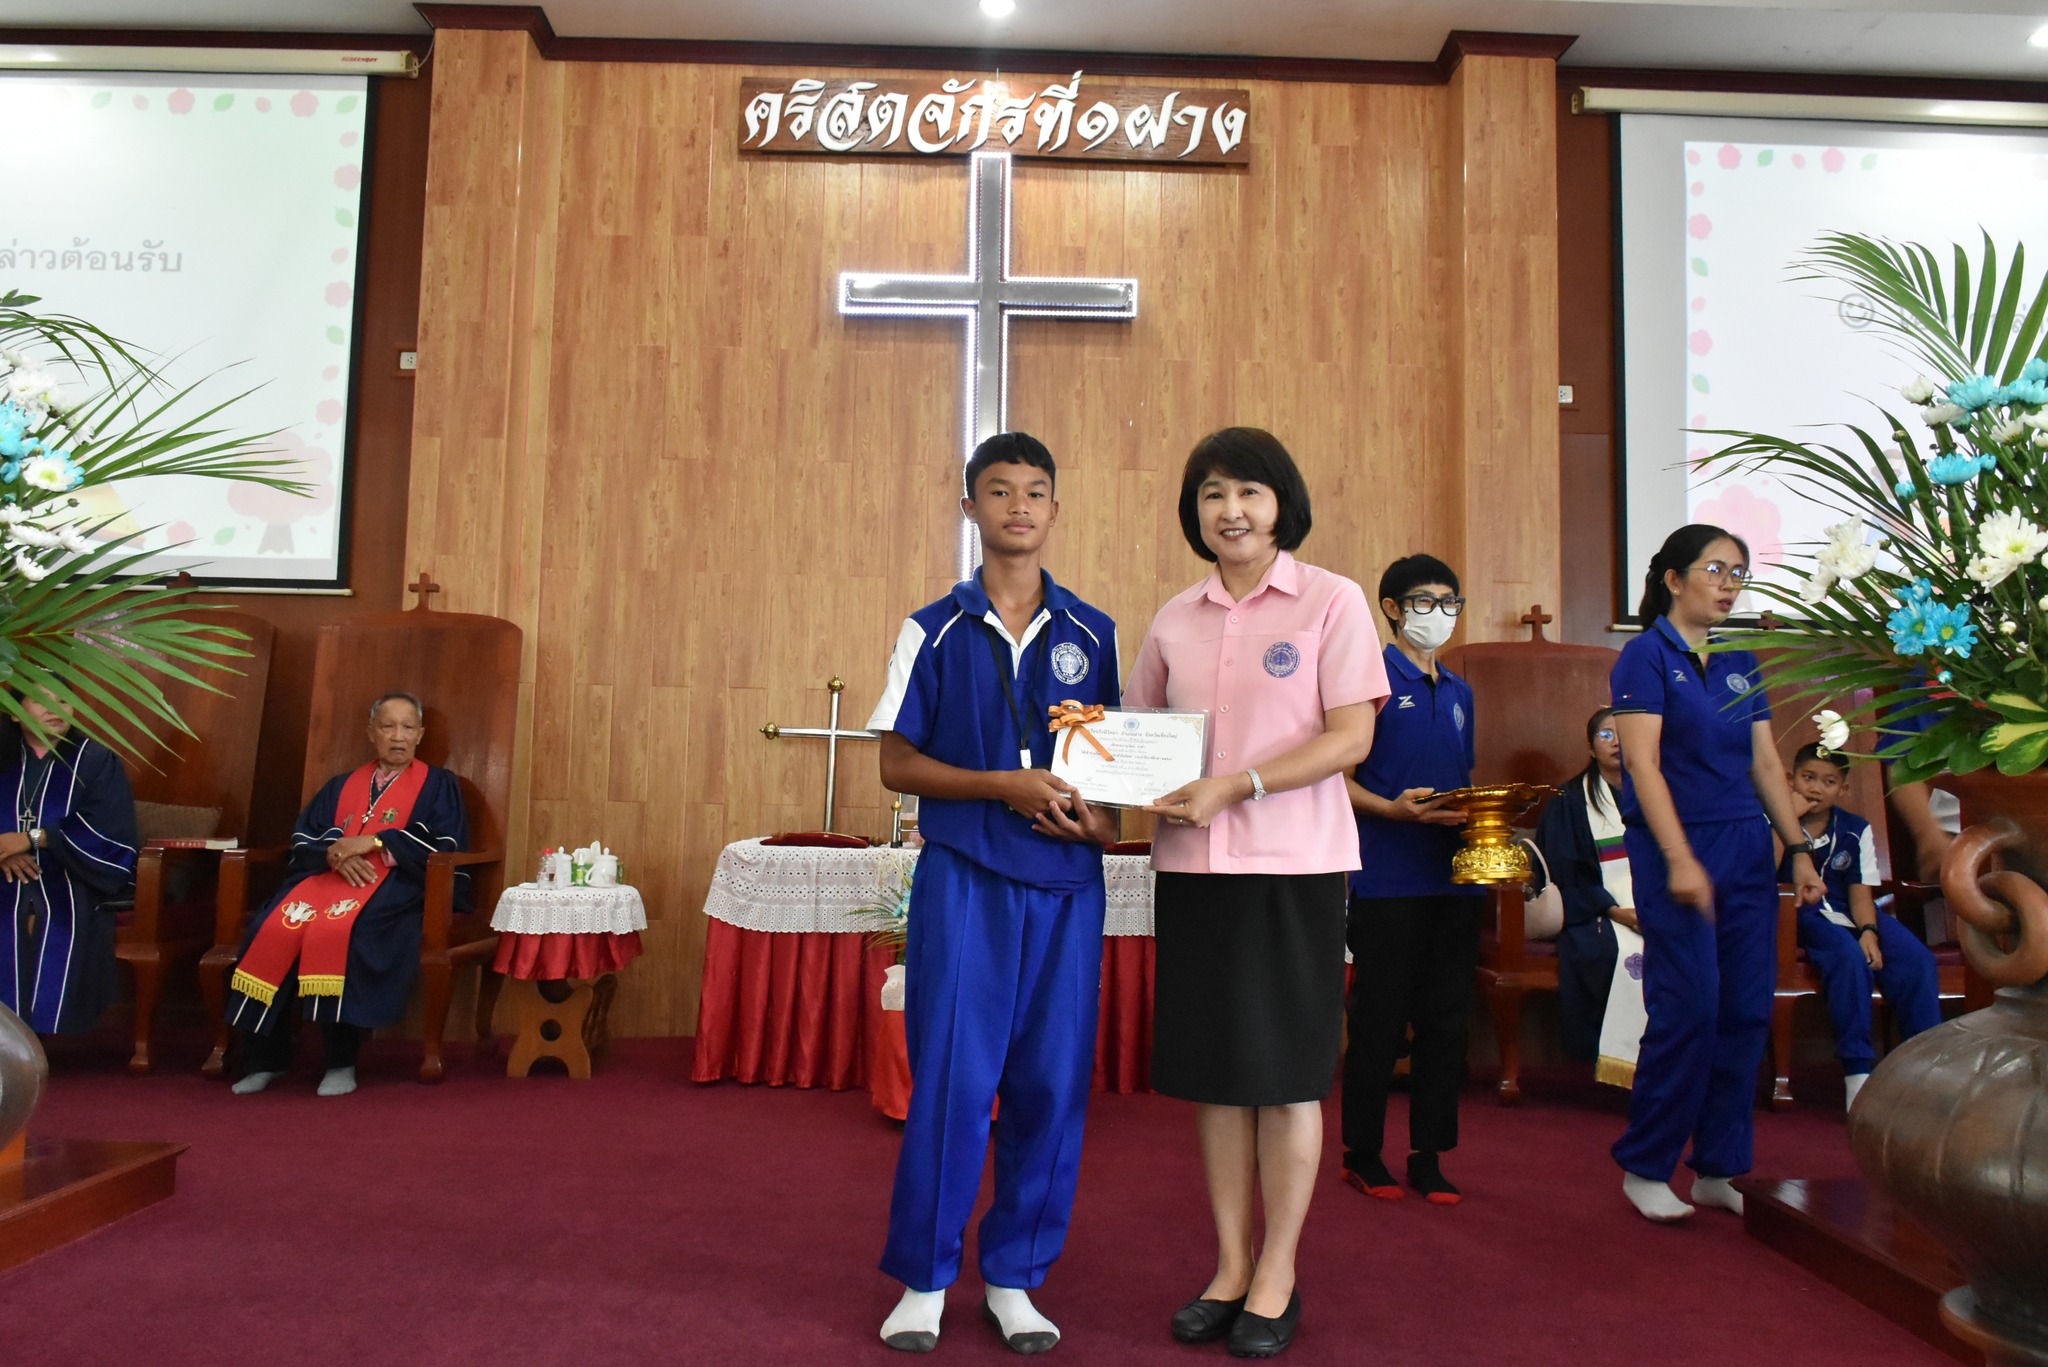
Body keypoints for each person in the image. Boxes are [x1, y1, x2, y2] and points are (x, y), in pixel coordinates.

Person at [1126, 427, 1383, 1359]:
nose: (1230, 511)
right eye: (1212, 494)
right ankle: (1230, 1266)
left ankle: (1278, 1270)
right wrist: (1100, 759)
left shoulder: (1332, 600)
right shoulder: (1173, 618)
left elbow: (1351, 737)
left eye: (1249, 492)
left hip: (1294, 868)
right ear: (1193, 511)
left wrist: (1238, 785)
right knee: (1218, 1078)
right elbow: (1139, 734)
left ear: (1282, 505)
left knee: (1285, 1077)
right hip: (1196, 873)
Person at [867, 432, 1120, 1355]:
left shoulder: (1094, 632)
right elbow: (896, 763)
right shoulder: (931, 626)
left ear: (1056, 508)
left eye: (1036, 491)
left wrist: (1100, 824)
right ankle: (925, 1278)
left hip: (1065, 886)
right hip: (967, 878)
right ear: (970, 506)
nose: (1020, 505)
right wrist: (1000, 786)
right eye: (1000, 490)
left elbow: (1117, 769)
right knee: (952, 1079)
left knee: (1051, 1085)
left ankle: (1014, 1276)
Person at [1608, 524, 1824, 1224]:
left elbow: (1765, 763)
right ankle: (1646, 1163)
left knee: (1745, 1008)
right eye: (1715, 570)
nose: (1729, 585)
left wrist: (1797, 848)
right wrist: (1678, 859)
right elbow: (1643, 765)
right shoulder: (1644, 656)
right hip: (1677, 844)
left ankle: (1719, 1166)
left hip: (1745, 846)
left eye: (1738, 573)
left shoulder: (1739, 658)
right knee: (1690, 1007)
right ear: (1673, 579)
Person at [224, 692, 469, 1097]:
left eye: (407, 727)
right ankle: (265, 1059)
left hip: (394, 885)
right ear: (371, 732)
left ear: (420, 734)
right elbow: (305, 837)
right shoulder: (341, 786)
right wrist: (336, 854)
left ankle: (340, 1061)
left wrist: (374, 842)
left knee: (342, 933)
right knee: (272, 927)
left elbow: (445, 844)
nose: (398, 736)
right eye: (388, 726)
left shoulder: (439, 786)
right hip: (326, 878)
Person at [1340, 554, 1483, 1205]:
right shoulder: (1366, 683)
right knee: (1379, 1019)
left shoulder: (1459, 692)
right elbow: (1335, 780)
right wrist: (1392, 809)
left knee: (1446, 1022)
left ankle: (1430, 1154)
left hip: (1453, 879)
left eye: (1450, 602)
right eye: (1425, 602)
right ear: (1393, 609)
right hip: (1386, 878)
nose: (1440, 614)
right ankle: (1363, 1153)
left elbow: (1464, 778)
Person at [1775, 743, 1941, 1111]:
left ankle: (1925, 1066)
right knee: (1848, 958)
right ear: (1790, 779)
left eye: (1829, 781)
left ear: (1843, 788)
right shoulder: (1774, 819)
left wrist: (1869, 931)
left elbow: (1860, 892)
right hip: (1798, 913)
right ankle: (1858, 1071)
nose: (1816, 788)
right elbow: (1761, 868)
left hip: (1849, 911)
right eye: (1808, 778)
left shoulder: (1854, 828)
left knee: (1916, 960)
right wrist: (1787, 819)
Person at [0, 690, 138, 1035]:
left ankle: (36, 1036)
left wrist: (34, 838)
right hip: (3, 871)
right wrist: (4, 851)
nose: (54, 709)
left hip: (73, 873)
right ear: (15, 713)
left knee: (43, 910)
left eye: (62, 701)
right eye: (40, 701)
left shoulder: (95, 760)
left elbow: (110, 829)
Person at [1533, 707, 1645, 1072]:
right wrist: (1614, 911)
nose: (1616, 743)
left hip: (1655, 909)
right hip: (1595, 911)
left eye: (1624, 734)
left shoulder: (1659, 795)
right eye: (1606, 735)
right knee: (1601, 951)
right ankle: (1614, 1061)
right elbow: (1565, 873)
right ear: (1591, 747)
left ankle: (1673, 1061)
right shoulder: (1568, 802)